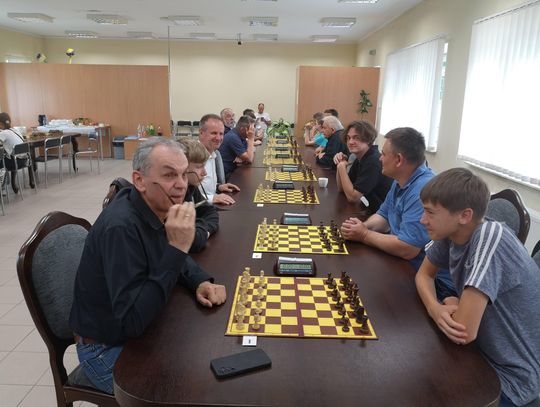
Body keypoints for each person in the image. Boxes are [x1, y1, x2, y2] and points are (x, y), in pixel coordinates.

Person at [69, 138, 226, 394]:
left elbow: (167, 248)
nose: (181, 184)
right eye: (169, 175)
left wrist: (199, 280)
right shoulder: (121, 228)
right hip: (106, 351)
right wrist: (178, 248)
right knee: (193, 390)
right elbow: (132, 321)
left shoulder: (152, 206)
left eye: (183, 174)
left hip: (136, 333)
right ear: (139, 180)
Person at [416, 168, 540, 407]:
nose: (423, 220)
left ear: (464, 215)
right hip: (479, 351)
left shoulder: (489, 236)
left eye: (430, 212)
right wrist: (435, 307)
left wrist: (453, 305)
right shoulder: (452, 233)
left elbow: (463, 331)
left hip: (510, 380)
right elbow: (423, 275)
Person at [340, 127, 456, 300]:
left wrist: (364, 234)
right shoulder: (401, 179)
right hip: (403, 264)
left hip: (432, 282)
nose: (380, 158)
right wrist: (362, 226)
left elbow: (408, 249)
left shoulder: (422, 190)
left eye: (384, 154)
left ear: (399, 160)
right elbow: (383, 216)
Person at [333, 121, 392, 212]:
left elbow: (353, 197)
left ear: (368, 139)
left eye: (356, 138)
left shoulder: (373, 161)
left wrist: (341, 168)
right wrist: (340, 164)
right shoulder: (361, 157)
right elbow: (342, 189)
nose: (350, 142)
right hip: (371, 209)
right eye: (348, 138)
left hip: (382, 215)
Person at [177, 137, 219, 252]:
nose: (204, 173)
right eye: (199, 167)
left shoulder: (191, 187)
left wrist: (203, 232)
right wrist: (202, 230)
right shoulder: (175, 194)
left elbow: (210, 212)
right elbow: (193, 241)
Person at [197, 114, 240, 205]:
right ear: (201, 133)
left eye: (221, 134)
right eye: (214, 133)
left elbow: (203, 187)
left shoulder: (213, 153)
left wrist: (218, 187)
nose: (218, 138)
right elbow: (186, 195)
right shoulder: (190, 156)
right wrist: (212, 198)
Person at [0, 112, 35, 193]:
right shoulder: (16, 130)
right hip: (25, 161)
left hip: (14, 163)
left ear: (1, 124)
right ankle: (4, 187)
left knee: (1, 162)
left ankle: (2, 187)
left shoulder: (3, 133)